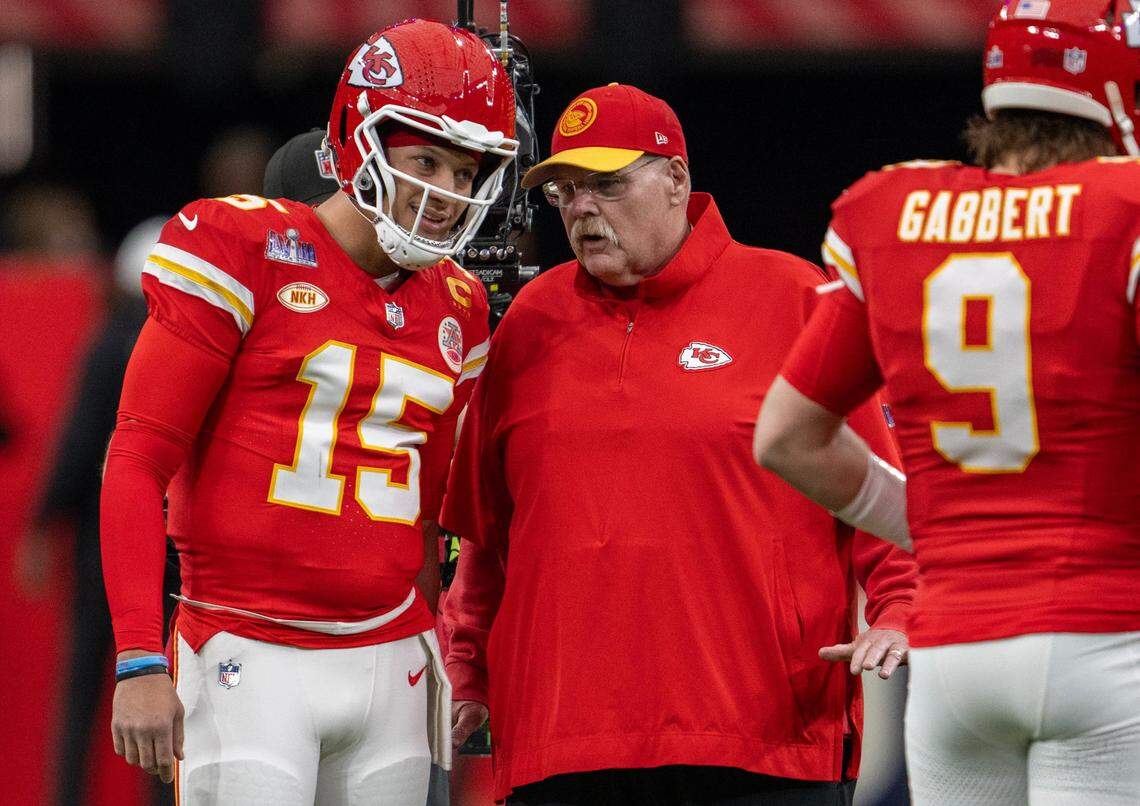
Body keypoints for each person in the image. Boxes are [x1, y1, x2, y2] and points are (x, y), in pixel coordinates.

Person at [441, 83, 917, 806]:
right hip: (561, 743)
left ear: (676, 179)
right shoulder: (531, 323)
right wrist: (466, 670)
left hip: (762, 741)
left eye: (605, 183)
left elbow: (881, 488)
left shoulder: (793, 296)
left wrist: (902, 608)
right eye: (564, 192)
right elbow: (486, 534)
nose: (580, 209)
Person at [100, 19, 518, 804]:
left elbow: (439, 517)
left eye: (466, 172)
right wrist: (136, 658)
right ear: (359, 143)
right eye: (426, 159)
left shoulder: (460, 303)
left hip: (392, 653)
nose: (446, 194)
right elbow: (135, 458)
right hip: (249, 651)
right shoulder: (241, 246)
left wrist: (454, 655)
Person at [753, 3, 1140, 804]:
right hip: (1108, 638)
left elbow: (786, 437)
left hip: (956, 655)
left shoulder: (899, 211)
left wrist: (934, 528)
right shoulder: (1124, 209)